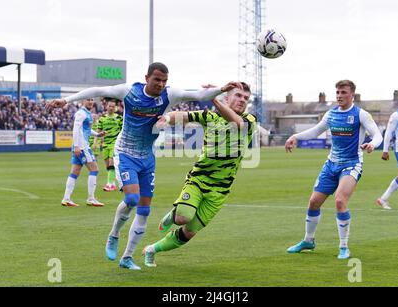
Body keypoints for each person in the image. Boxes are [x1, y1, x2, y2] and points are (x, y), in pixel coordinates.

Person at [46, 62, 242, 270]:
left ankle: (127, 257)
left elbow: (198, 95)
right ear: (147, 77)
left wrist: (222, 89)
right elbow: (98, 90)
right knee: (131, 199)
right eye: (157, 79)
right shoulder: (130, 91)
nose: (160, 84)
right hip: (125, 153)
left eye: (164, 81)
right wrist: (65, 100)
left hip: (147, 157)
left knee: (144, 210)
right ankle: (113, 235)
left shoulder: (170, 94)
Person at [142, 82, 257, 268]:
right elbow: (182, 116)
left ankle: (151, 249)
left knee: (189, 232)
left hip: (221, 190)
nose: (242, 100)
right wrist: (166, 118)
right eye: (238, 96)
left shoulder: (250, 120)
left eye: (246, 98)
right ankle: (175, 213)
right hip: (199, 179)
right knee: (182, 218)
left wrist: (212, 98)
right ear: (227, 97)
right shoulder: (209, 116)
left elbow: (236, 123)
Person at [284, 80, 382, 259]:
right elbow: (315, 131)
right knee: (313, 202)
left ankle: (344, 247)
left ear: (352, 94)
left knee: (339, 201)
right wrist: (295, 137)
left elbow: (377, 135)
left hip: (351, 164)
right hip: (331, 164)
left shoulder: (361, 114)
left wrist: (372, 145)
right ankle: (308, 240)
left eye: (343, 92)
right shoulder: (331, 114)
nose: (339, 96)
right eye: (337, 92)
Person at [61, 98, 107, 207]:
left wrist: (97, 134)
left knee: (75, 171)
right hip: (82, 146)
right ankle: (91, 198)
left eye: (92, 100)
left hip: (80, 146)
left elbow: (85, 129)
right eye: (88, 99)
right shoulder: (81, 113)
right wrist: (76, 146)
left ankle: (66, 198)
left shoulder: (86, 113)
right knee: (94, 169)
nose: (90, 101)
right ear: (82, 102)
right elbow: (76, 129)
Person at [97, 98, 123, 192]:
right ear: (106, 107)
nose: (111, 108)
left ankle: (109, 184)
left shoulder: (119, 118)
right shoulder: (102, 118)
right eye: (109, 106)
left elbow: (122, 131)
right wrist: (97, 143)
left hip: (115, 143)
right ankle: (113, 183)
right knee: (108, 165)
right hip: (105, 144)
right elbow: (98, 132)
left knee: (112, 162)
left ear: (115, 107)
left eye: (113, 106)